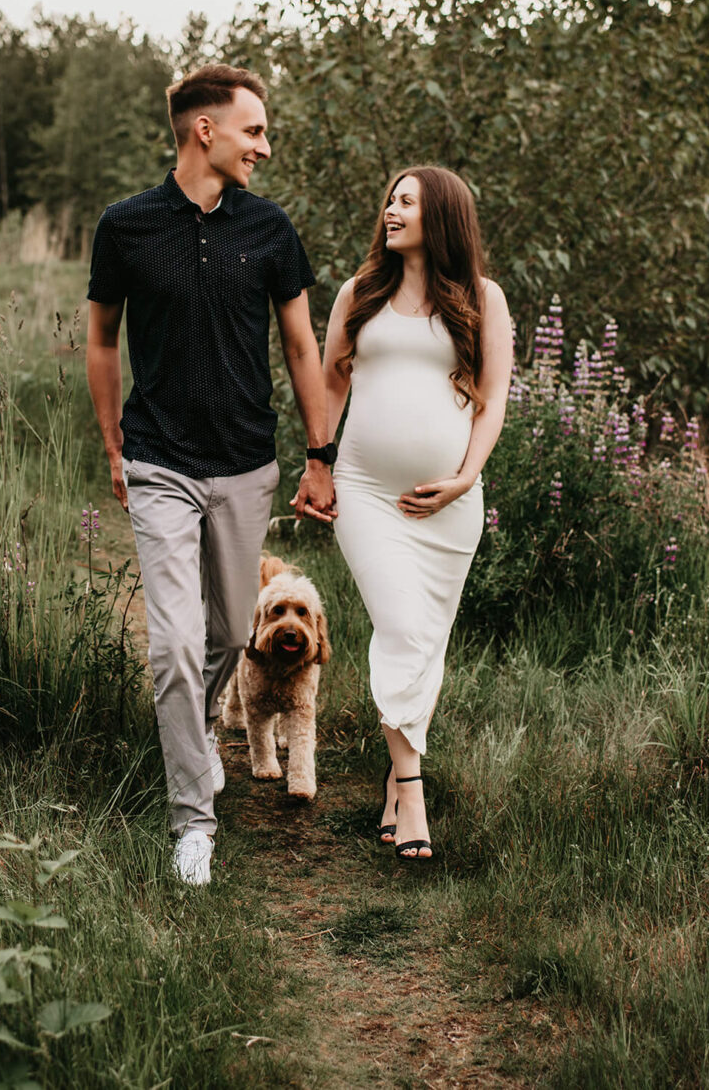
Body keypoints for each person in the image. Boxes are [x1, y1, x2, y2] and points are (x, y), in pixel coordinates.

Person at [85, 64, 336, 887]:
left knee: (230, 635)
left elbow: (300, 345)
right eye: (253, 130)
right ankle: (193, 820)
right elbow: (101, 339)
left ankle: (190, 745)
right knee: (174, 646)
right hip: (158, 461)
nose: (264, 146)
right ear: (206, 130)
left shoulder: (269, 228)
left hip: (245, 465)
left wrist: (320, 455)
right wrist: (115, 445)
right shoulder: (125, 226)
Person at [316, 166, 512, 861]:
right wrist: (317, 463)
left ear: (443, 217)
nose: (391, 211)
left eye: (407, 202)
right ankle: (413, 790)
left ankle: (394, 784)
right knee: (401, 629)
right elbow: (329, 383)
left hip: (449, 506)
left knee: (426, 643)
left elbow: (494, 397)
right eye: (390, 200)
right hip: (366, 493)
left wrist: (465, 478)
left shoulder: (483, 299)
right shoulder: (359, 293)